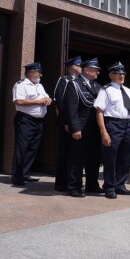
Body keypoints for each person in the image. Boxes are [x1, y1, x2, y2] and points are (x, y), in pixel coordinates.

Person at [94, 62, 130, 199]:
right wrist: (103, 132)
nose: (122, 76)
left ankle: (120, 185)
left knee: (125, 157)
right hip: (113, 124)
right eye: (118, 74)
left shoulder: (128, 91)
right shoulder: (105, 90)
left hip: (128, 125)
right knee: (110, 157)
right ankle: (109, 186)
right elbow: (99, 111)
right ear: (111, 75)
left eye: (123, 74)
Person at [63, 58, 103, 197]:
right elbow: (71, 110)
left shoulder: (98, 87)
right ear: (86, 70)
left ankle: (92, 185)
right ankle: (74, 187)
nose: (98, 71)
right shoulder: (74, 84)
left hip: (95, 130)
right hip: (81, 129)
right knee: (77, 160)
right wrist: (75, 129)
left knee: (94, 160)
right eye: (95, 69)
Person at [11, 62, 52, 186]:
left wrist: (48, 99)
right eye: (38, 72)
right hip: (25, 120)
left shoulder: (39, 85)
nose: (40, 74)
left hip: (38, 121)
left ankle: (24, 173)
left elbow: (47, 97)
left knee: (33, 148)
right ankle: (17, 176)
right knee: (22, 147)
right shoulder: (21, 85)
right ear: (31, 72)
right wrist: (39, 102)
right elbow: (18, 101)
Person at [53, 56, 82, 192]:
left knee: (74, 154)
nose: (82, 68)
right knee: (64, 153)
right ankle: (60, 183)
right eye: (80, 65)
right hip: (66, 123)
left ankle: (72, 181)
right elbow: (60, 102)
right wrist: (65, 121)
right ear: (74, 66)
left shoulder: (80, 82)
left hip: (76, 124)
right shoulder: (64, 80)